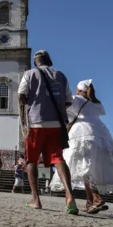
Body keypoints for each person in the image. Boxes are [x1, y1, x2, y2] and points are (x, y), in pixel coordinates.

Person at [18, 50, 78, 214]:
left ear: (36, 61)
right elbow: (67, 101)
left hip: (36, 123)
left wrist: (27, 111)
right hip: (57, 124)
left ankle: (36, 199)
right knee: (58, 159)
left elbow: (21, 96)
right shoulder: (61, 75)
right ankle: (69, 196)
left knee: (31, 160)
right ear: (49, 61)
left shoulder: (29, 74)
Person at [50, 80, 113, 214]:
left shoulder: (76, 99)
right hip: (101, 136)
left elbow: (64, 111)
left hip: (82, 134)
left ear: (79, 90)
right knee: (89, 169)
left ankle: (96, 198)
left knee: (85, 169)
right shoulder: (96, 103)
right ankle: (90, 203)